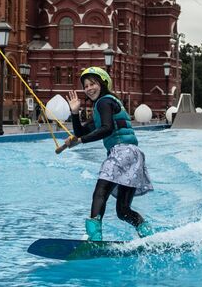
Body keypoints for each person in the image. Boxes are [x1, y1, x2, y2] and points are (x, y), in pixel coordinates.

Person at [62, 66, 154, 241]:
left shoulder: (104, 102)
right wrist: (75, 112)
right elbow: (81, 131)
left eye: (92, 84)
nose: (89, 88)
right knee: (123, 211)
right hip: (134, 155)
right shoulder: (105, 106)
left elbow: (107, 129)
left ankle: (94, 236)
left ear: (103, 83)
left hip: (122, 152)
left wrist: (80, 141)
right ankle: (148, 234)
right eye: (86, 86)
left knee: (100, 191)